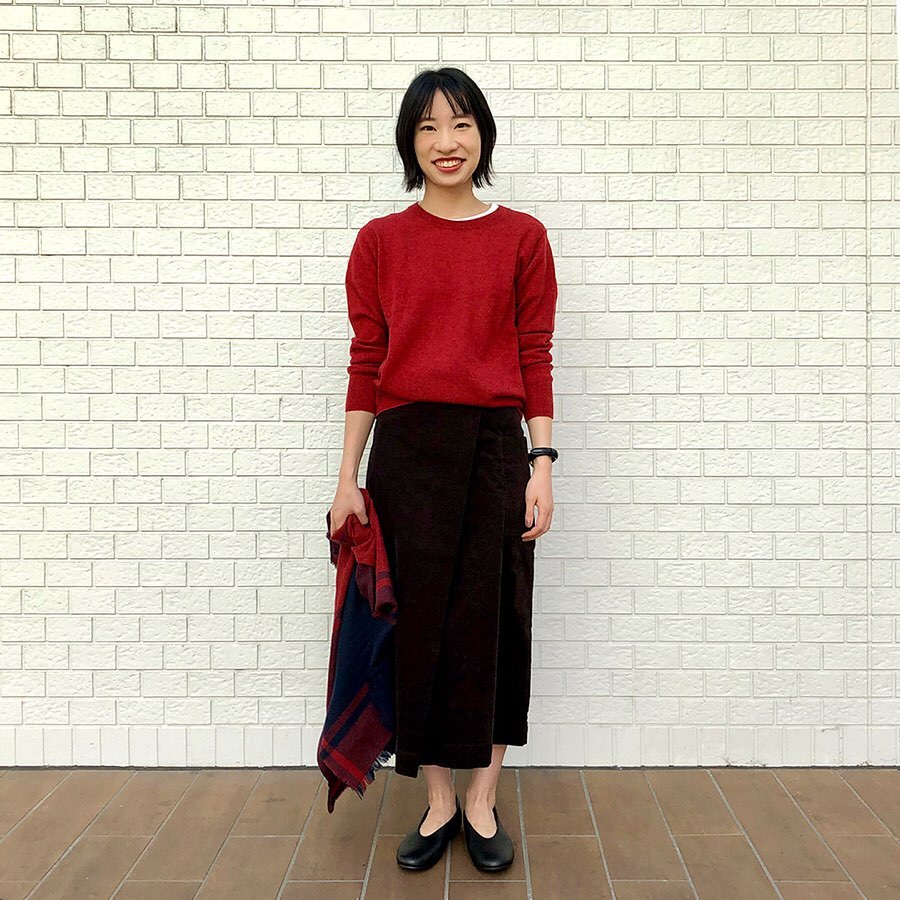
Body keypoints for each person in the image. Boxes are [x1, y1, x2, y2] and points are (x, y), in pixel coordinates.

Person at [327, 66, 559, 873]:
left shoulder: (523, 237)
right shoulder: (379, 242)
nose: (446, 142)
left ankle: (483, 799)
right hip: (406, 455)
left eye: (460, 124)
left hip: (496, 451)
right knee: (419, 628)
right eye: (427, 127)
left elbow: (534, 354)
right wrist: (348, 476)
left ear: (483, 134)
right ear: (409, 143)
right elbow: (367, 361)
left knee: (496, 626)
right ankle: (437, 800)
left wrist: (542, 463)